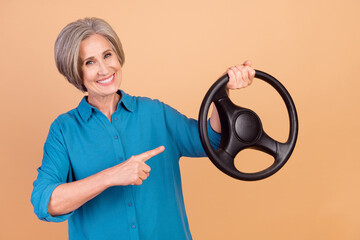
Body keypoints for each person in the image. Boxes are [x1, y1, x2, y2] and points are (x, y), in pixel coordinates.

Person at [31, 17, 255, 240]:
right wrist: (111, 176)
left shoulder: (155, 113)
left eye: (107, 55)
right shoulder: (64, 130)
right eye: (89, 62)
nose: (104, 69)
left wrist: (220, 93)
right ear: (74, 71)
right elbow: (45, 202)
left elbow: (212, 142)